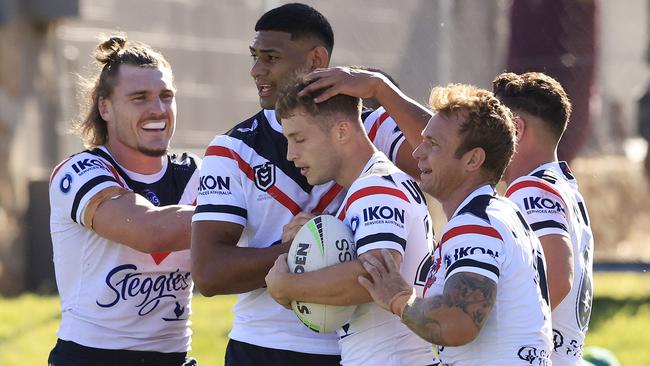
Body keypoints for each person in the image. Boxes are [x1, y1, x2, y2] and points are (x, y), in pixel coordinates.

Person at [190, 3, 430, 365]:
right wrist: (295, 251)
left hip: (352, 349)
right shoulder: (233, 148)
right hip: (265, 347)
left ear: (317, 59)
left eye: (271, 57)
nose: (257, 70)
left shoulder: (369, 125)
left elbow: (453, 158)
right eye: (254, 56)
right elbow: (208, 274)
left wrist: (380, 89)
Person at [357, 84, 553, 365]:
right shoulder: (499, 213)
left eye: (433, 144)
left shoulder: (475, 224)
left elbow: (457, 324)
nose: (417, 153)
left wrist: (398, 299)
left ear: (473, 159)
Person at [48, 35, 198, 366]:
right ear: (105, 107)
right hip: (91, 357)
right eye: (139, 98)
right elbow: (149, 231)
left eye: (166, 96)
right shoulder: (80, 171)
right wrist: (235, 214)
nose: (157, 109)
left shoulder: (196, 174)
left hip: (173, 356)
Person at [264, 77, 435, 365]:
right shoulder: (375, 185)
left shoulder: (375, 187)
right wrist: (319, 237)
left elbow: (376, 275)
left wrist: (286, 286)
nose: (291, 155)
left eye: (299, 139)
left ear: (342, 131)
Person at [493, 71, 594, 365]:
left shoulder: (530, 189)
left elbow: (558, 278)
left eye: (495, 127)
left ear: (516, 128)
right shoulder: (563, 186)